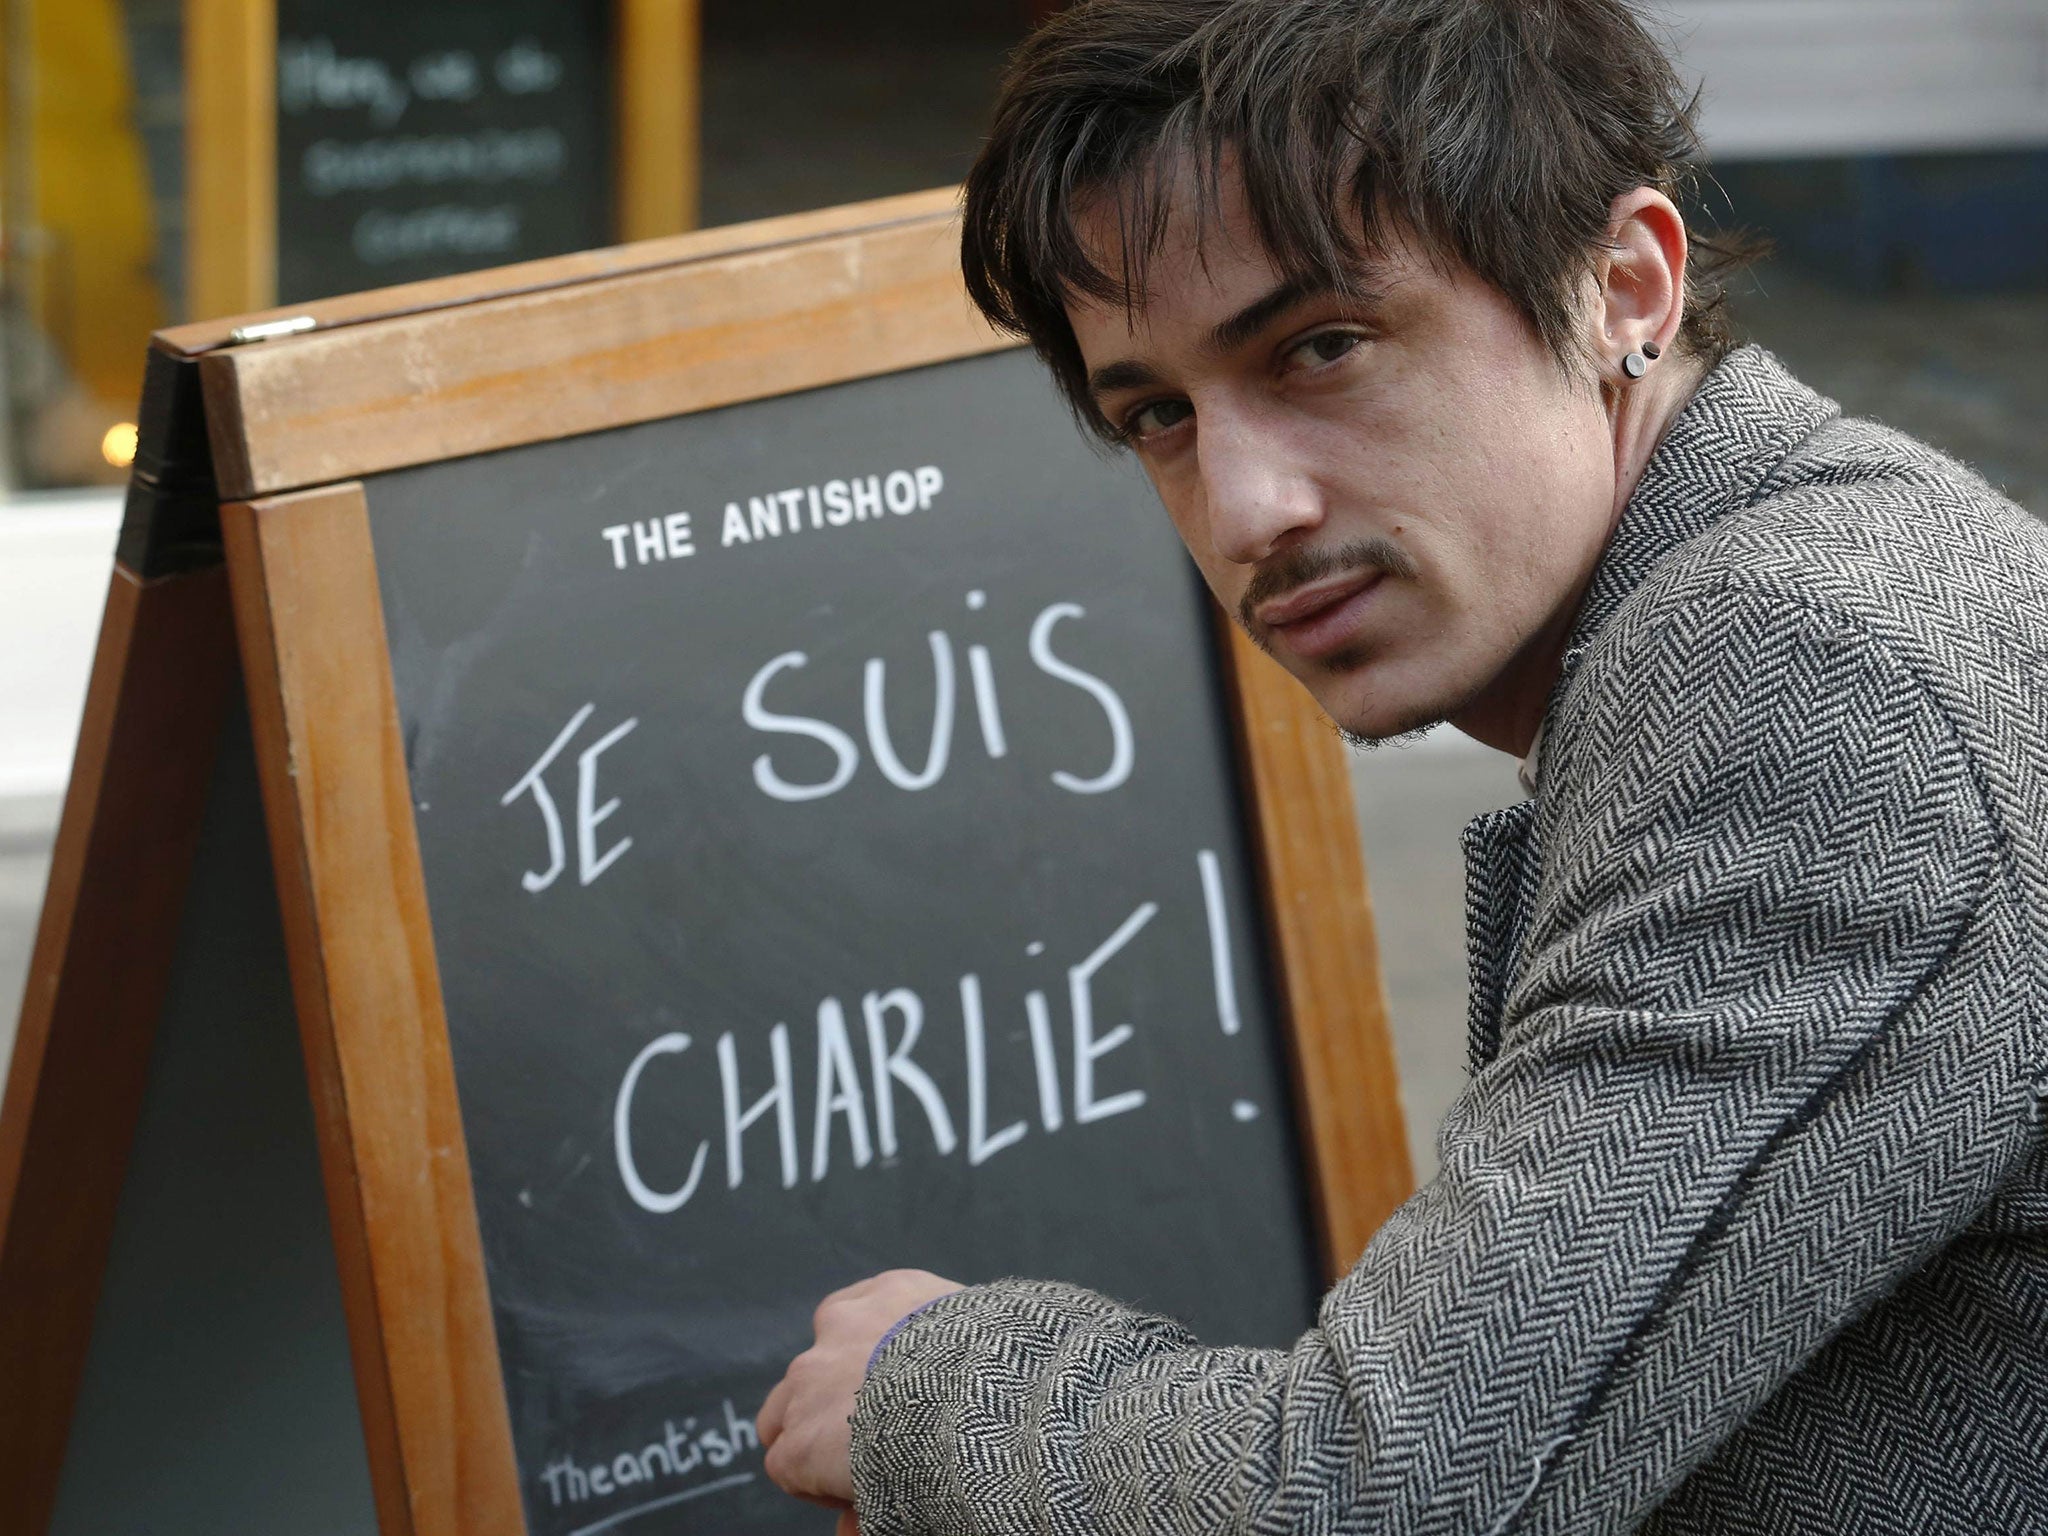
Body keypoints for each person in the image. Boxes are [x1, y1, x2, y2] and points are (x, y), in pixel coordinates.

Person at [757, 1, 2048, 1530]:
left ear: (1623, 282)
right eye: (1159, 415)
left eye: (1321, 348)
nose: (1244, 510)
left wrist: (922, 1384)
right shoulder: (1839, 559)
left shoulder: (1803, 679)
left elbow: (1391, 1493)